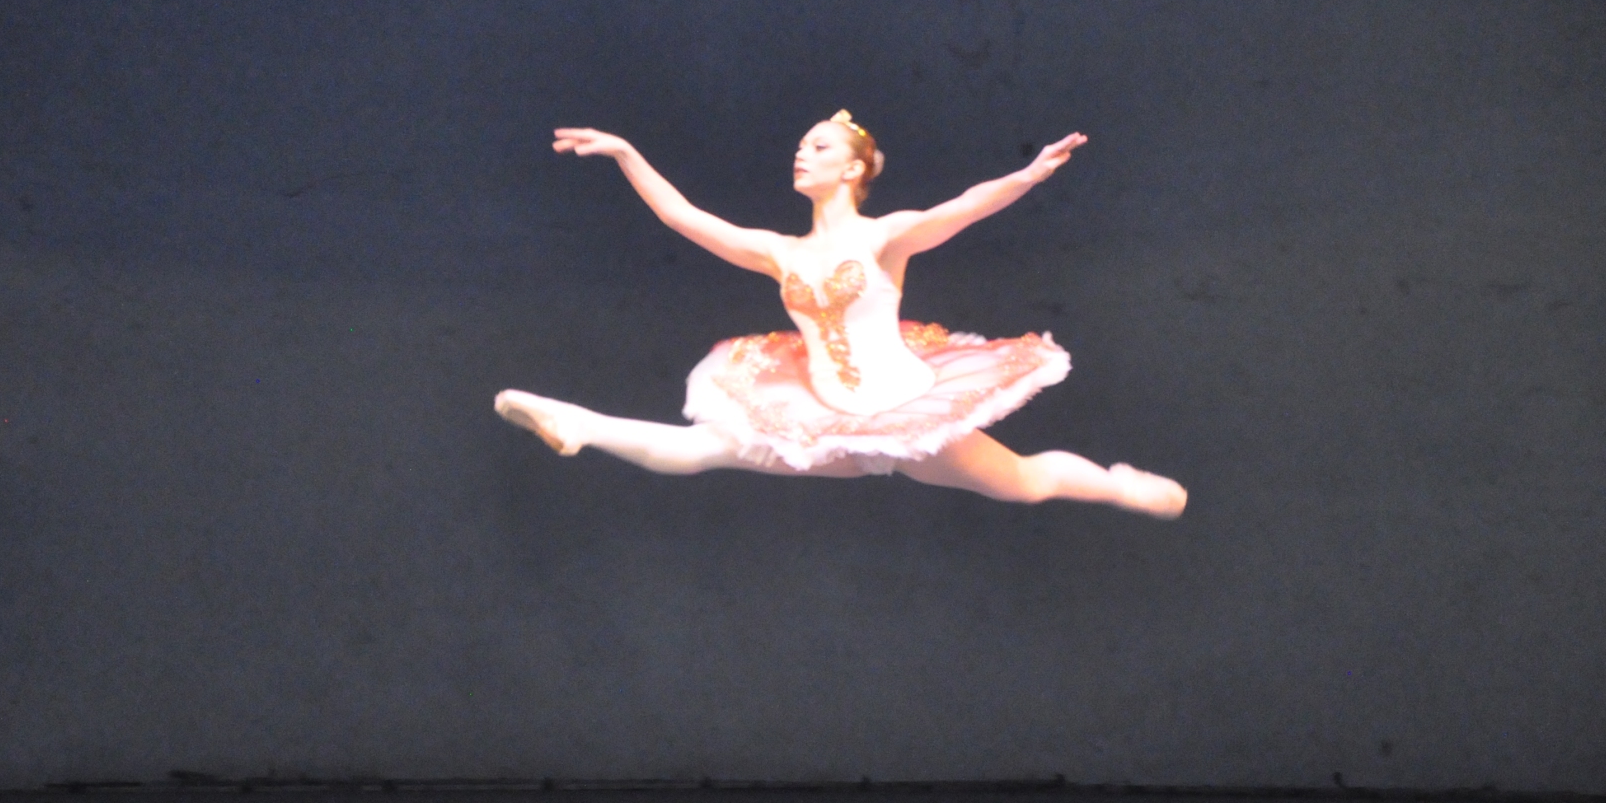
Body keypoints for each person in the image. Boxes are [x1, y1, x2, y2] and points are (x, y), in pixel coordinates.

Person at [494, 112, 1186, 517]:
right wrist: (625, 153)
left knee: (1028, 486)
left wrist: (1027, 176)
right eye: (801, 145)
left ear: (854, 169)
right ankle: (579, 424)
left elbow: (964, 207)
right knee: (706, 449)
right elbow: (684, 218)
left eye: (819, 146)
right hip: (827, 421)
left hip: (908, 413)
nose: (802, 152)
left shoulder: (886, 236)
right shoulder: (779, 252)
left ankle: (1117, 486)